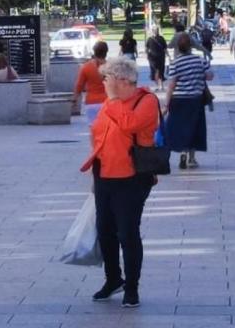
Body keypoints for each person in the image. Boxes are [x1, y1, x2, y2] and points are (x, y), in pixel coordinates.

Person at [79, 57, 158, 309]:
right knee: (105, 231)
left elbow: (129, 124)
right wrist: (95, 175)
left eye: (107, 79)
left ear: (122, 81)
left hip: (132, 177)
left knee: (127, 232)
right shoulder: (109, 103)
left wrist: (113, 99)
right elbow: (98, 134)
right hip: (105, 174)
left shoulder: (147, 101)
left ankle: (132, 287)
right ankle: (113, 278)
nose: (103, 83)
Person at [166, 34, 214, 169]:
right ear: (191, 47)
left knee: (181, 128)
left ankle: (182, 153)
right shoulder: (199, 61)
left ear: (178, 48)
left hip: (179, 100)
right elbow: (210, 76)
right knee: (195, 128)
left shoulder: (175, 63)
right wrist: (200, 74)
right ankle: (192, 159)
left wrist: (166, 103)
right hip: (196, 100)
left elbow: (171, 85)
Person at [72, 41, 109, 125]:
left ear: (94, 52)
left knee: (94, 128)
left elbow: (79, 85)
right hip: (107, 102)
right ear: (106, 52)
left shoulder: (86, 67)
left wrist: (74, 99)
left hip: (91, 102)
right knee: (107, 128)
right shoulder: (111, 67)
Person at [145, 27, 168, 91]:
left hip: (154, 57)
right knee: (159, 71)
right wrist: (168, 56)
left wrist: (147, 55)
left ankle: (159, 85)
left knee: (156, 71)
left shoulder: (150, 39)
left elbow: (146, 49)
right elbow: (165, 48)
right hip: (159, 57)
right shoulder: (161, 38)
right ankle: (160, 86)